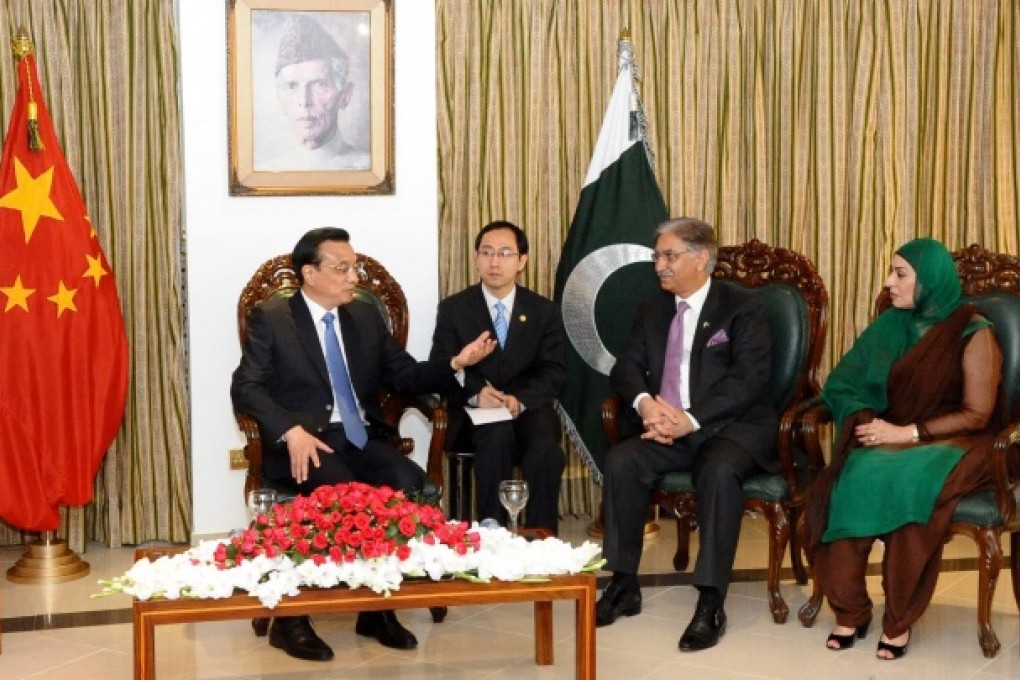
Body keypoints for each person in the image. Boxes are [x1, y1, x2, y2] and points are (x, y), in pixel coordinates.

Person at [231, 227, 496, 661]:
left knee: (405, 481)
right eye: (342, 268)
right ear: (309, 273)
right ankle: (290, 619)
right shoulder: (274, 319)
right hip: (308, 440)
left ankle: (377, 608)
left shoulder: (364, 317)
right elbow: (247, 387)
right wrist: (290, 431)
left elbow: (404, 375)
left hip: (360, 436)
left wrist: (455, 364)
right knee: (339, 491)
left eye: (353, 266)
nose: (354, 276)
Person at [805, 238, 1007, 660]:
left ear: (929, 280)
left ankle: (899, 620)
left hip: (960, 443)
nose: (888, 284)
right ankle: (852, 609)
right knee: (850, 478)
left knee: (914, 488)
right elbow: (845, 382)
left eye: (900, 274)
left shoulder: (974, 331)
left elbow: (977, 414)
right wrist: (866, 422)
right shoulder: (892, 324)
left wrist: (908, 434)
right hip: (894, 436)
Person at [595, 217, 778, 652]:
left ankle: (711, 602)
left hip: (730, 427)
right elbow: (626, 366)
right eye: (657, 255)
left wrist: (689, 419)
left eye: (669, 255)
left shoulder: (743, 307)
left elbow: (747, 382)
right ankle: (623, 584)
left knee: (717, 473)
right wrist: (646, 405)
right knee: (622, 461)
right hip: (668, 428)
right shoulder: (652, 308)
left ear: (701, 258)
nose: (659, 265)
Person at [429, 220, 567, 534]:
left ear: (522, 261)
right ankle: (492, 532)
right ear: (476, 258)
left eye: (505, 254)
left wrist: (521, 400)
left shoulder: (543, 311)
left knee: (546, 449)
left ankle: (542, 534)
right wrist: (476, 393)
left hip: (528, 408)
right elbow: (441, 366)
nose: (494, 262)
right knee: (496, 432)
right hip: (473, 413)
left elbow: (555, 371)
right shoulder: (454, 309)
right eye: (487, 253)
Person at [258, 14, 369, 171]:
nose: (304, 101)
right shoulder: (265, 173)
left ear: (345, 96)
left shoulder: (369, 168)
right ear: (279, 97)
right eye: (292, 86)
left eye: (320, 85)